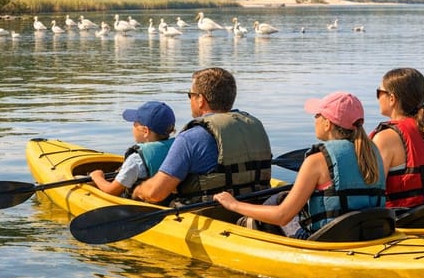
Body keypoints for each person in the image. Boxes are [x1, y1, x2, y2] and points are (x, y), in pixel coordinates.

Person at [214, 92, 385, 238]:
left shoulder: (316, 161)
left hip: (327, 241)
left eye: (317, 115)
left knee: (265, 211)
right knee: (281, 197)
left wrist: (234, 205)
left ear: (328, 124)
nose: (314, 120)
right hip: (368, 234)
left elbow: (282, 216)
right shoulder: (372, 152)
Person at [131, 67, 272, 205]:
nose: (189, 100)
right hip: (256, 207)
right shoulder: (255, 126)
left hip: (212, 214)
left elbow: (155, 193)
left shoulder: (190, 138)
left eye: (190, 95)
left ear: (201, 99)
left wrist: (137, 191)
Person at [371, 67, 424, 208]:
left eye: (379, 92)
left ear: (392, 98)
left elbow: (370, 191)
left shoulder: (385, 138)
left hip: (403, 217)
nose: (377, 98)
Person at [88, 101, 176, 196]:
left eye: (135, 123)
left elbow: (112, 190)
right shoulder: (178, 149)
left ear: (145, 131)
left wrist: (97, 177)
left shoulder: (136, 160)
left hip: (139, 202)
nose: (132, 127)